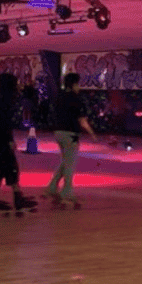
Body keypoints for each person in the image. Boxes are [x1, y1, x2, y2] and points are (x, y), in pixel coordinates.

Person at [0, 73, 36, 215]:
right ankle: (17, 198)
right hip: (2, 137)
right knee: (10, 166)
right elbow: (5, 121)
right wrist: (9, 139)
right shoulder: (7, 100)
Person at [43, 73, 95, 207]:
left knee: (66, 161)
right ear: (74, 84)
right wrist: (92, 134)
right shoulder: (76, 99)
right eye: (78, 84)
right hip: (70, 134)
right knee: (70, 164)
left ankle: (52, 187)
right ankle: (67, 192)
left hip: (58, 132)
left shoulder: (59, 97)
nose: (80, 86)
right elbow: (82, 120)